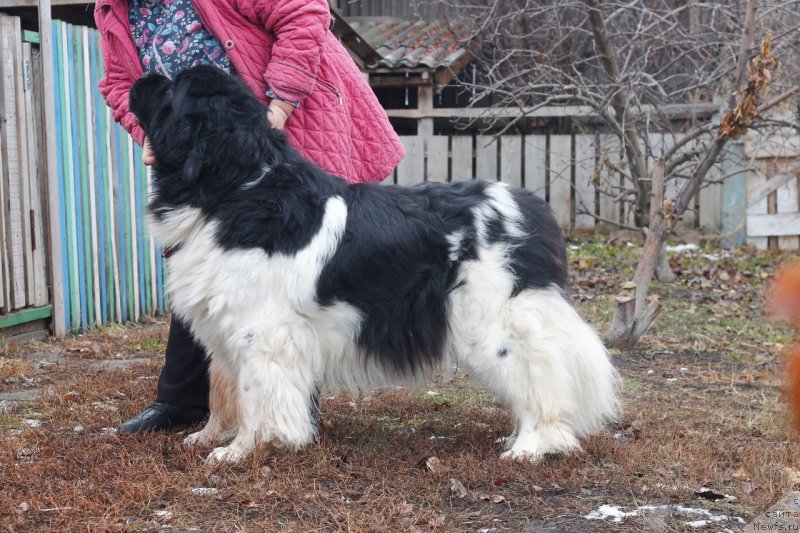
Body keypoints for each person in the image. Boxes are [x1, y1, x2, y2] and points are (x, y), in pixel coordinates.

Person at [94, 0, 405, 433]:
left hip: (279, 129)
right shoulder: (112, 8)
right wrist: (149, 130)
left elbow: (304, 15)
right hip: (201, 152)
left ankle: (284, 409)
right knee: (207, 269)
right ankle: (183, 402)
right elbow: (117, 82)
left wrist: (278, 106)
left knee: (291, 271)